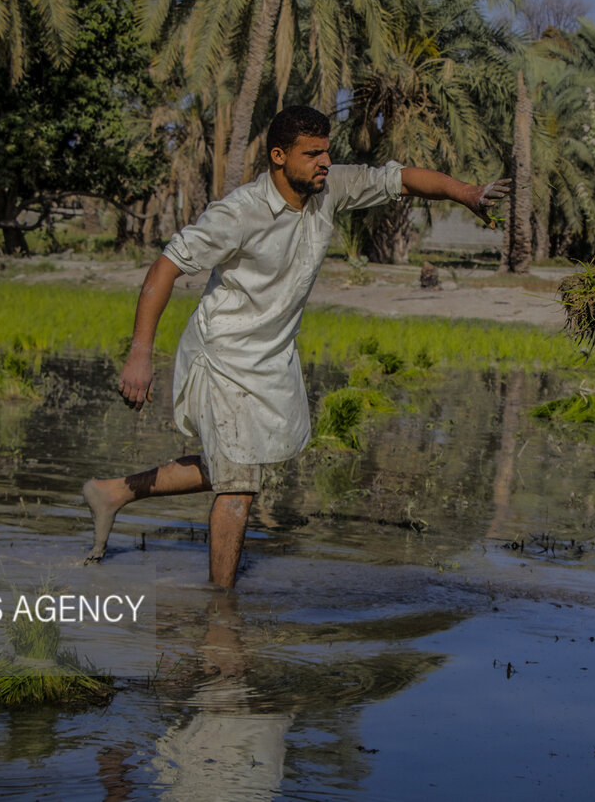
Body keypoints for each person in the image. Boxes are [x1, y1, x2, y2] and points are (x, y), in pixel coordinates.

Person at [82, 105, 509, 588]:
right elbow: (165, 267)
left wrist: (468, 194)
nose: (325, 162)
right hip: (222, 354)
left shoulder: (331, 190)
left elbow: (402, 180)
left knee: (234, 465)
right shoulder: (238, 213)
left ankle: (113, 491)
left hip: (271, 357)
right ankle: (222, 615)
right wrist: (141, 353)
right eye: (312, 154)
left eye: (327, 151)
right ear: (279, 156)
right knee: (239, 483)